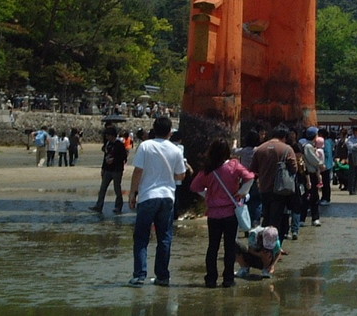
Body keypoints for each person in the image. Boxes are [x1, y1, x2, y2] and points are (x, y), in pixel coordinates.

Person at [127, 115, 187, 287]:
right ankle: (162, 276)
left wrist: (132, 193)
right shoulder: (176, 150)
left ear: (154, 129)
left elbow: (138, 171)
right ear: (169, 132)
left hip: (148, 196)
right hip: (167, 196)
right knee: (165, 237)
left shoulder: (146, 146)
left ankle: (139, 275)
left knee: (141, 237)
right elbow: (180, 175)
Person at [189, 137, 254, 288]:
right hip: (230, 212)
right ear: (226, 152)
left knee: (213, 247)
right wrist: (241, 192)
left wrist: (208, 196)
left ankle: (211, 279)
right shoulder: (233, 166)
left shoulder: (208, 169)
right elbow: (250, 177)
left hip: (213, 214)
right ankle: (228, 278)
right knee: (230, 247)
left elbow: (194, 186)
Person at [252, 126, 297, 241]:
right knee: (277, 220)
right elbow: (294, 168)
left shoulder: (260, 149)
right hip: (280, 189)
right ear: (284, 137)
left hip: (264, 188)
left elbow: (253, 169)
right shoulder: (287, 149)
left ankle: (263, 244)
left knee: (266, 217)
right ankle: (273, 247)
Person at [91, 125, 128, 213]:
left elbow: (124, 157)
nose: (106, 137)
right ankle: (99, 206)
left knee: (117, 189)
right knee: (102, 188)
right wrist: (103, 168)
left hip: (117, 170)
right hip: (107, 169)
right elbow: (105, 157)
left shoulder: (119, 144)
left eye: (108, 135)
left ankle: (118, 206)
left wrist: (113, 160)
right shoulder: (108, 144)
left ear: (112, 135)